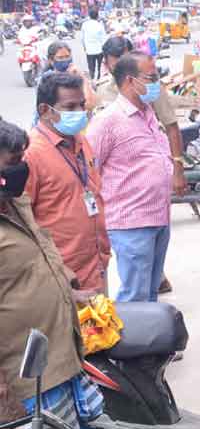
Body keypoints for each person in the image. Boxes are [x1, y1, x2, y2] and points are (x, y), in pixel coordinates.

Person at [0, 119, 97, 429]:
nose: (22, 169)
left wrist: (70, 292)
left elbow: (44, 253)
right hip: (25, 378)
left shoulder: (14, 202)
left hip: (62, 357)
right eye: (13, 162)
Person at [87, 53, 174, 302]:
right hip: (130, 223)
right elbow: (90, 171)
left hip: (159, 217)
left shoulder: (148, 113)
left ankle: (150, 340)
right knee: (135, 294)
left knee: (150, 292)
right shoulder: (107, 122)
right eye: (151, 77)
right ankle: (131, 341)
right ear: (129, 81)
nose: (157, 82)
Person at [26, 73, 111, 292]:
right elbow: (23, 221)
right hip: (63, 279)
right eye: (70, 107)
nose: (80, 113)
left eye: (82, 105)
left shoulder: (81, 142)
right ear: (45, 111)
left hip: (97, 266)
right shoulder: (31, 154)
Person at [96, 36, 187, 200]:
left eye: (125, 59)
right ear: (106, 63)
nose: (121, 66)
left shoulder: (151, 87)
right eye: (115, 61)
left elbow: (171, 126)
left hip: (151, 178)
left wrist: (178, 168)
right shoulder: (102, 90)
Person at [37, 42, 97, 114]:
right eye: (60, 58)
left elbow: (91, 104)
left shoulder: (78, 75)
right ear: (51, 61)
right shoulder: (47, 79)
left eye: (67, 56)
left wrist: (82, 77)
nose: (65, 60)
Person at [81, 9, 106, 80]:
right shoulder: (100, 25)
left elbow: (82, 38)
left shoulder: (85, 24)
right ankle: (99, 80)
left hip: (89, 50)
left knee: (91, 68)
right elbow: (103, 38)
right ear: (97, 16)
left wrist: (84, 47)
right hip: (99, 50)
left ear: (89, 15)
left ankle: (92, 80)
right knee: (100, 68)